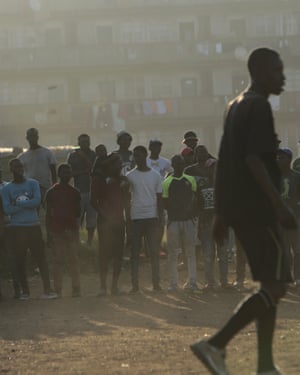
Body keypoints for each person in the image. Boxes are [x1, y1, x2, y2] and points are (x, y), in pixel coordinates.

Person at [190, 48, 296, 375]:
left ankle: (265, 365)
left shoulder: (233, 105)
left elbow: (226, 165)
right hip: (259, 210)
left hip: (241, 209)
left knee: (269, 284)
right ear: (261, 71)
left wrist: (223, 213)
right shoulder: (259, 105)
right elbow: (251, 160)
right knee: (277, 285)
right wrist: (278, 205)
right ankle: (216, 344)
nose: (283, 77)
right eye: (278, 71)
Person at [1, 159, 57, 300]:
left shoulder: (33, 183)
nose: (19, 169)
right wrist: (27, 203)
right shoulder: (6, 189)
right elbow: (7, 209)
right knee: (20, 260)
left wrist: (17, 204)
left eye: (20, 166)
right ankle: (25, 292)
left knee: (41, 259)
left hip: (33, 226)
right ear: (11, 169)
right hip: (17, 228)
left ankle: (47, 290)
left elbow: (37, 201)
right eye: (15, 167)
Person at [186, 145, 229, 289]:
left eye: (204, 153)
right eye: (199, 153)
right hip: (203, 219)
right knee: (208, 253)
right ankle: (210, 281)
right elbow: (191, 198)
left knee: (222, 253)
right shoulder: (190, 172)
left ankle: (223, 281)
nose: (202, 155)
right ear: (195, 155)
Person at [91, 153, 130, 296]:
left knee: (118, 254)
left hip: (119, 221)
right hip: (105, 222)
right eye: (118, 164)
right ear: (110, 165)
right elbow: (93, 201)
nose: (120, 166)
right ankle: (103, 287)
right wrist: (106, 215)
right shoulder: (99, 180)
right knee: (104, 254)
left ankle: (114, 286)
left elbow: (126, 201)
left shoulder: (122, 180)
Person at [126, 145, 163, 293]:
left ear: (145, 156)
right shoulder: (130, 176)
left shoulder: (155, 175)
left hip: (152, 217)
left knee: (154, 252)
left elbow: (159, 198)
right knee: (135, 253)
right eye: (134, 156)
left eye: (139, 156)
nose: (136, 158)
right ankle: (135, 285)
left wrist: (161, 219)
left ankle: (156, 283)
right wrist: (128, 220)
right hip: (136, 217)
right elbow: (127, 199)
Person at [162, 155, 198, 292]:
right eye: (176, 164)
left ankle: (192, 282)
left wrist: (191, 214)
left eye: (181, 163)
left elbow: (195, 198)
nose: (179, 166)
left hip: (189, 221)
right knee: (173, 253)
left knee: (190, 252)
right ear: (173, 165)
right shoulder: (167, 182)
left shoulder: (190, 179)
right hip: (174, 221)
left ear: (183, 165)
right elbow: (165, 202)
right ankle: (173, 284)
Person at [45, 164, 81, 298]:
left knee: (73, 260)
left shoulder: (75, 192)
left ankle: (76, 289)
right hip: (57, 231)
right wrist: (49, 233)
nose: (67, 174)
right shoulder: (52, 192)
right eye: (64, 172)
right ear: (59, 174)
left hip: (71, 230)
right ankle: (58, 290)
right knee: (58, 261)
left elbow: (78, 213)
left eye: (69, 172)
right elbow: (48, 214)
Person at [67, 134, 97, 246]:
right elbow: (69, 173)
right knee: (77, 217)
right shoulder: (73, 156)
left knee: (91, 218)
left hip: (91, 190)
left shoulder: (93, 154)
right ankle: (76, 241)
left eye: (87, 141)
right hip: (77, 190)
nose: (85, 144)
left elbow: (94, 170)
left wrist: (84, 157)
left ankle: (89, 241)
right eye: (83, 142)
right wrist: (84, 171)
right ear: (79, 143)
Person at [277, 147, 300, 286]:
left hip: (295, 219)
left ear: (289, 160)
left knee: (297, 250)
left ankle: (298, 277)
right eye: (278, 158)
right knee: (284, 251)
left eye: (283, 158)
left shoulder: (297, 176)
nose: (279, 160)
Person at [18, 128, 57, 205]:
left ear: (37, 137)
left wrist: (55, 187)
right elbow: (19, 174)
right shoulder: (22, 157)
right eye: (31, 136)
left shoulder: (47, 153)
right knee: (32, 211)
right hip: (29, 188)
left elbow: (53, 171)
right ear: (27, 138)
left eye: (34, 136)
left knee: (49, 210)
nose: (32, 138)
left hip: (46, 187)